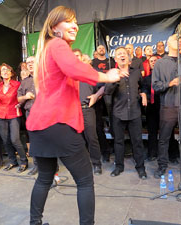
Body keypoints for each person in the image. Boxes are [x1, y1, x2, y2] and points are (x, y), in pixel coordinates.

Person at [26, 6, 125, 225]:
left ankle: (35, 223)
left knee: (44, 178)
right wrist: (106, 76)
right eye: (69, 21)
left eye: (76, 22)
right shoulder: (58, 45)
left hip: (39, 125)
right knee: (85, 181)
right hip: (58, 123)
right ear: (54, 28)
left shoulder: (45, 52)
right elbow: (74, 69)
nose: (75, 26)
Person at [152, 34, 181, 181]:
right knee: (164, 138)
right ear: (168, 43)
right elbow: (155, 85)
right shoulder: (160, 63)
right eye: (176, 40)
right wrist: (170, 83)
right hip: (168, 105)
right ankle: (162, 166)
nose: (180, 42)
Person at [105, 46, 147, 179]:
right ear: (116, 59)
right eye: (119, 54)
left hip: (134, 112)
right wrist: (116, 79)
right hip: (118, 113)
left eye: (124, 53)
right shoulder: (113, 73)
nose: (122, 55)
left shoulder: (136, 72)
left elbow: (144, 85)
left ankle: (140, 168)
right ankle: (119, 166)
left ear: (129, 58)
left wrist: (144, 93)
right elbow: (107, 92)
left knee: (137, 141)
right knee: (118, 141)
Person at [0, 63, 28, 173]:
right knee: (6, 140)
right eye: (3, 70)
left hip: (14, 114)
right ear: (0, 74)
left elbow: (21, 97)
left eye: (7, 70)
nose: (5, 72)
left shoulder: (17, 84)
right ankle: (13, 161)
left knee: (15, 139)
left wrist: (20, 104)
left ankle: (23, 161)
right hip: (1, 114)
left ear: (11, 73)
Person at [74, 49, 103, 175]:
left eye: (77, 56)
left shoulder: (89, 72)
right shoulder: (68, 74)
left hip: (87, 110)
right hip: (72, 112)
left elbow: (104, 85)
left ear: (81, 58)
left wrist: (96, 95)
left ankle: (96, 164)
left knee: (92, 138)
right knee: (77, 140)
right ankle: (82, 164)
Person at [17, 56, 37, 175]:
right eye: (28, 62)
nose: (30, 64)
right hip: (31, 114)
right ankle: (36, 165)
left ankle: (53, 166)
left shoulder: (47, 77)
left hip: (46, 114)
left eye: (32, 62)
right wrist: (25, 97)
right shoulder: (24, 82)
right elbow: (19, 98)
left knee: (48, 140)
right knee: (34, 140)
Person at [141, 55, 160, 161]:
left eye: (155, 60)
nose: (153, 62)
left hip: (163, 107)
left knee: (168, 133)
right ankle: (152, 153)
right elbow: (143, 89)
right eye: (151, 61)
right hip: (151, 107)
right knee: (152, 132)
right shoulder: (147, 78)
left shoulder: (164, 77)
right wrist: (143, 94)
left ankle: (170, 154)